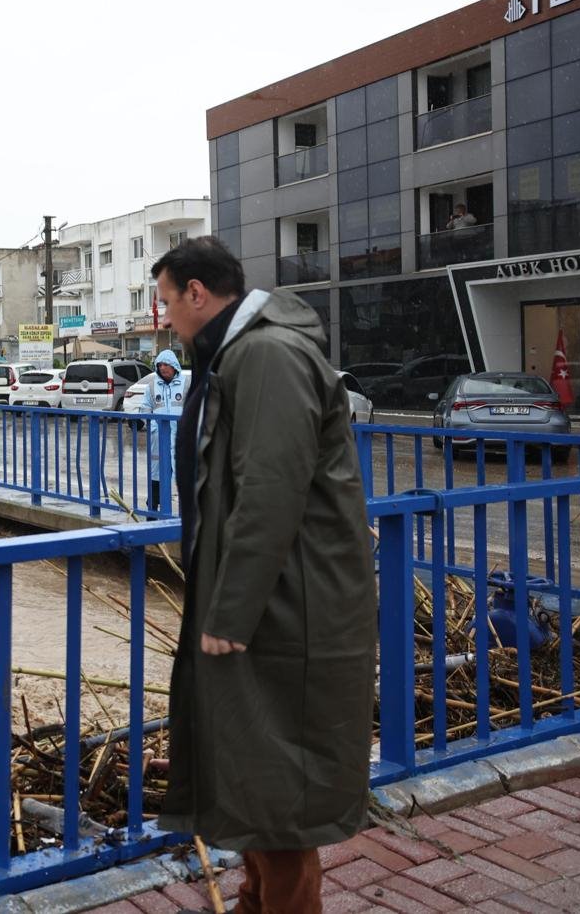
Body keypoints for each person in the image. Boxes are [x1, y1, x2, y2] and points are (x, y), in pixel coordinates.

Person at [150, 236, 374, 914]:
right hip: (272, 597)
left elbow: (271, 490)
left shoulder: (266, 356)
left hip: (286, 606)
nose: (163, 318)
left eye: (165, 301)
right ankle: (254, 901)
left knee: (281, 784)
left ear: (197, 293)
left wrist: (229, 610)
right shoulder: (236, 353)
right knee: (254, 767)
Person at [137, 348, 188, 515]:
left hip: (181, 439)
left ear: (174, 365)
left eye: (166, 364)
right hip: (158, 440)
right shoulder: (151, 386)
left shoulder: (186, 383)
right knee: (156, 477)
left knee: (185, 477)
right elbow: (145, 410)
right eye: (160, 365)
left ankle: (185, 515)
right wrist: (152, 427)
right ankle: (152, 512)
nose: (163, 368)